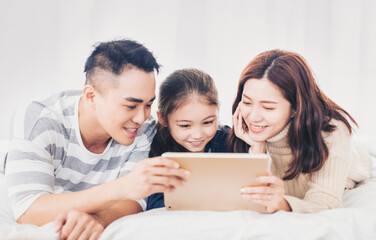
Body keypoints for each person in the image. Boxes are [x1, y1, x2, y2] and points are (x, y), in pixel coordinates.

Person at [5, 39, 189, 239]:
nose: (141, 117)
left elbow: (135, 201)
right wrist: (122, 186)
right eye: (130, 106)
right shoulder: (40, 121)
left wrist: (100, 219)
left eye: (148, 105)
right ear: (92, 97)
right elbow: (27, 212)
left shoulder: (145, 129)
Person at [229, 49, 372, 214]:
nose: (253, 117)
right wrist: (257, 149)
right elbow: (256, 195)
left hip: (353, 162)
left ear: (295, 108)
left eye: (268, 107)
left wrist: (281, 204)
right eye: (247, 102)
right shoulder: (244, 129)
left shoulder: (332, 133)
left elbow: (324, 202)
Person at [146, 68, 229, 210]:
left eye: (208, 122)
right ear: (163, 119)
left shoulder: (227, 140)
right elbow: (155, 203)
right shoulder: (158, 147)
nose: (197, 135)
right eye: (185, 125)